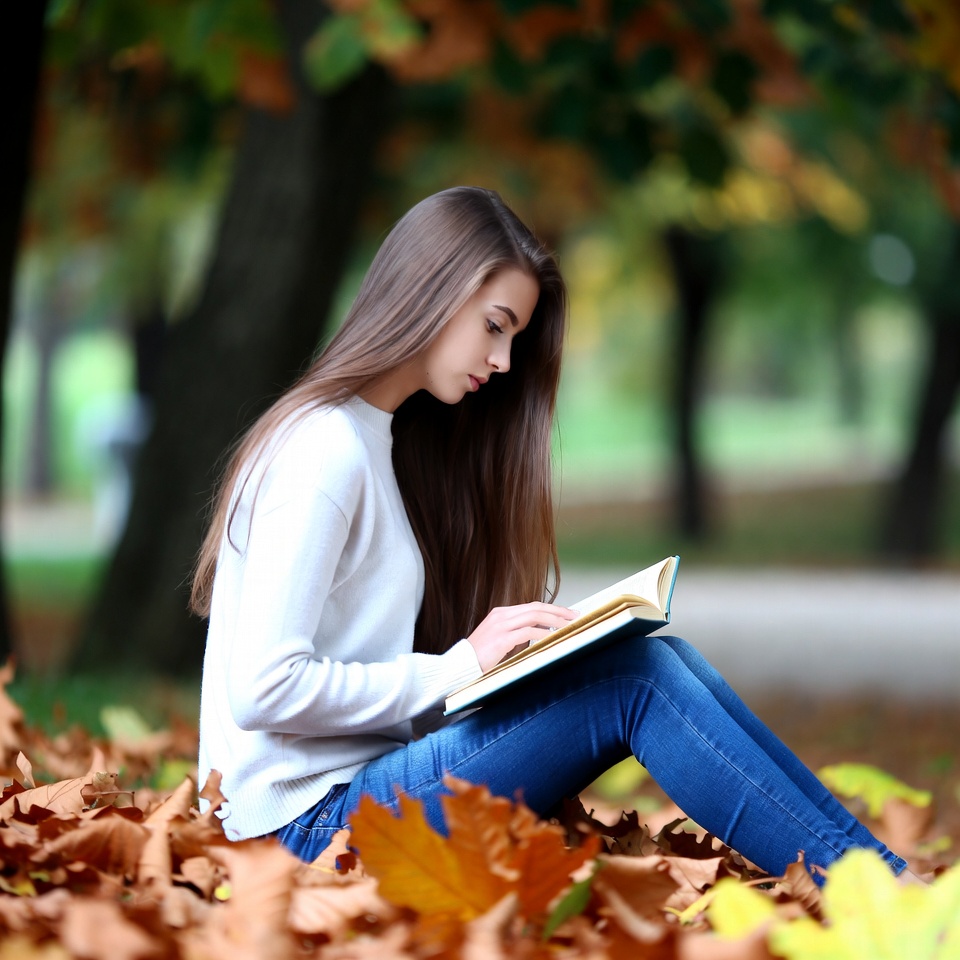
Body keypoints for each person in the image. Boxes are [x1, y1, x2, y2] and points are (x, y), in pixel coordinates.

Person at [194, 185, 909, 884]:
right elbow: (265, 688)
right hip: (298, 833)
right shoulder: (324, 448)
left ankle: (882, 882)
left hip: (336, 807)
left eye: (513, 337)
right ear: (430, 291)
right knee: (640, 681)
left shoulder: (367, 440)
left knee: (666, 660)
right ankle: (889, 899)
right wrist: (461, 665)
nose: (504, 361)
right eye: (495, 325)